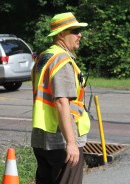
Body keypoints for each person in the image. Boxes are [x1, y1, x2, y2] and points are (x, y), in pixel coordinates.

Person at [31, 12, 91, 184]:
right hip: (61, 140)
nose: (80, 35)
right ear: (61, 34)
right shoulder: (61, 61)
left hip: (42, 139)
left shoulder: (43, 58)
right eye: (75, 30)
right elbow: (61, 102)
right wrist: (71, 143)